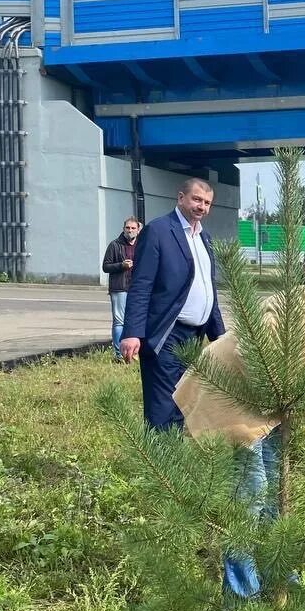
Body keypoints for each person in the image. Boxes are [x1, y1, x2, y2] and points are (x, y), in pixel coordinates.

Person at [173, 278, 305, 599]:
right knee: (251, 495)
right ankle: (241, 596)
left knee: (277, 494)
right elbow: (255, 347)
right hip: (230, 395)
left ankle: (277, 576)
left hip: (275, 415)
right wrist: (289, 394)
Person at [119, 178, 225, 430]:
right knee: (163, 406)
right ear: (181, 198)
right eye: (196, 199)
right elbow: (141, 284)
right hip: (166, 333)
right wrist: (132, 332)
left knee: (182, 401)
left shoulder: (204, 238)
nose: (201, 207)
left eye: (207, 203)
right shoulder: (158, 231)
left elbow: (209, 291)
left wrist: (219, 336)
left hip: (194, 337)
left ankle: (173, 461)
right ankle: (158, 462)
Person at [101, 217, 141, 362]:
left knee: (136, 320)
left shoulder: (141, 245)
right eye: (127, 228)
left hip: (136, 288)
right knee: (119, 321)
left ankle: (133, 352)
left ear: (138, 230)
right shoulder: (115, 245)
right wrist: (121, 265)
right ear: (123, 229)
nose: (130, 231)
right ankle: (119, 355)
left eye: (133, 228)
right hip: (119, 288)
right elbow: (106, 266)